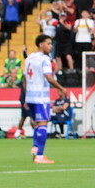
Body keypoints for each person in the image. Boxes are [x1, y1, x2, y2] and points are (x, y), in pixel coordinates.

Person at [25, 34, 68, 164]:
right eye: (48, 43)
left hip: (30, 95)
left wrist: (26, 96)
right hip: (41, 96)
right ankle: (40, 155)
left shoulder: (29, 58)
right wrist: (61, 88)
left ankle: (35, 147)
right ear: (41, 44)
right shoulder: (44, 59)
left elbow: (24, 78)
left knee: (38, 123)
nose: (50, 46)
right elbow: (49, 77)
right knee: (43, 124)